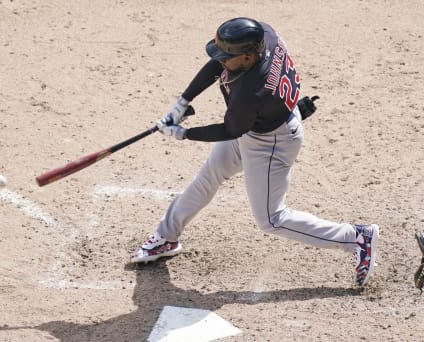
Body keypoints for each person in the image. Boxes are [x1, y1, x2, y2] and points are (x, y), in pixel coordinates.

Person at [130, 17, 379, 286]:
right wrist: (183, 101)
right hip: (263, 121)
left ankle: (356, 237)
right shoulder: (263, 35)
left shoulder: (250, 93)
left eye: (229, 57)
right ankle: (167, 236)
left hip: (270, 143)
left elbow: (231, 130)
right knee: (209, 176)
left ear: (248, 57)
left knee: (272, 220)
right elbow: (218, 63)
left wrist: (183, 133)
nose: (222, 60)